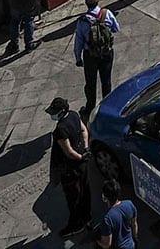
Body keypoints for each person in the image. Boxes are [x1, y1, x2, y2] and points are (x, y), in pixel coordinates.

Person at [49, 95, 93, 232]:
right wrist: (85, 150)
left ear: (61, 112)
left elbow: (68, 152)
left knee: (73, 197)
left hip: (71, 168)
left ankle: (76, 224)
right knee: (85, 191)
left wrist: (79, 157)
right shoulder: (74, 115)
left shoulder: (60, 130)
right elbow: (84, 130)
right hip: (83, 163)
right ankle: (88, 217)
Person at [76, 0, 121, 112]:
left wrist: (78, 58)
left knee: (90, 83)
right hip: (106, 53)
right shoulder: (107, 13)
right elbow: (116, 28)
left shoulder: (82, 21)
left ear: (86, 3)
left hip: (90, 56)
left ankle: (90, 107)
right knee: (106, 81)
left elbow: (79, 42)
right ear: (98, 1)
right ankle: (107, 106)